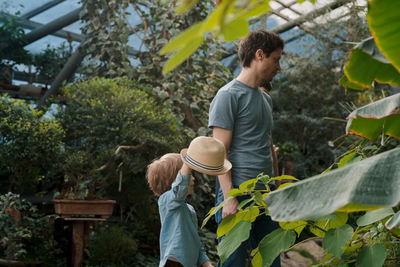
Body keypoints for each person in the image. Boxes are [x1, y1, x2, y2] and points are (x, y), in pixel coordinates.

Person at [208, 30, 284, 266]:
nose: (279, 67)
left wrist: (276, 184)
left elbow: (268, 145)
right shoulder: (228, 95)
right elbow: (218, 152)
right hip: (237, 192)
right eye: (276, 59)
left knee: (271, 261)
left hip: (265, 193)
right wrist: (230, 198)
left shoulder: (265, 98)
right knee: (233, 262)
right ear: (259, 55)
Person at [146, 136, 232, 267]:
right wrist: (187, 162)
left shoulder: (189, 210)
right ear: (174, 180)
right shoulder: (166, 201)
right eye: (189, 175)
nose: (193, 179)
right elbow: (178, 190)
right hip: (173, 263)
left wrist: (207, 264)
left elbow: (196, 243)